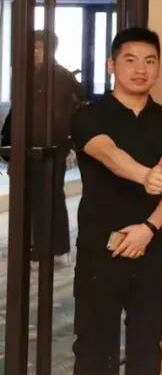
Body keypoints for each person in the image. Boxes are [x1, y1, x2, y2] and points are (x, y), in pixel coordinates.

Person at [70, 27, 162, 375]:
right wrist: (144, 176)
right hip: (100, 247)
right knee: (94, 346)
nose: (140, 69)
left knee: (147, 346)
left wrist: (148, 229)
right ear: (112, 64)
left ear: (158, 67)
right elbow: (107, 152)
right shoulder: (89, 115)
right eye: (130, 60)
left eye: (150, 61)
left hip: (153, 248)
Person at [1, 29, 86, 260]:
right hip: (26, 146)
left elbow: (77, 108)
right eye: (33, 47)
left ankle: (56, 247)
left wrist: (69, 142)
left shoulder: (62, 76)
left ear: (51, 50)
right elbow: (16, 111)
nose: (36, 52)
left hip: (52, 147)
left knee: (50, 196)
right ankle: (35, 245)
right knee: (29, 196)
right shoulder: (25, 75)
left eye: (40, 47)